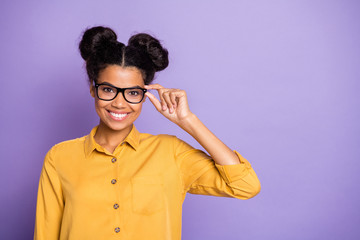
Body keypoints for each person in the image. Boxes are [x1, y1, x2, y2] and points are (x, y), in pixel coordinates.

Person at [34, 26, 261, 240]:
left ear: (145, 94)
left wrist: (188, 121)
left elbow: (244, 185)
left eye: (133, 93)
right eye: (108, 90)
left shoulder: (170, 152)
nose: (119, 103)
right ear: (93, 89)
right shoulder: (60, 157)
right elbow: (46, 233)